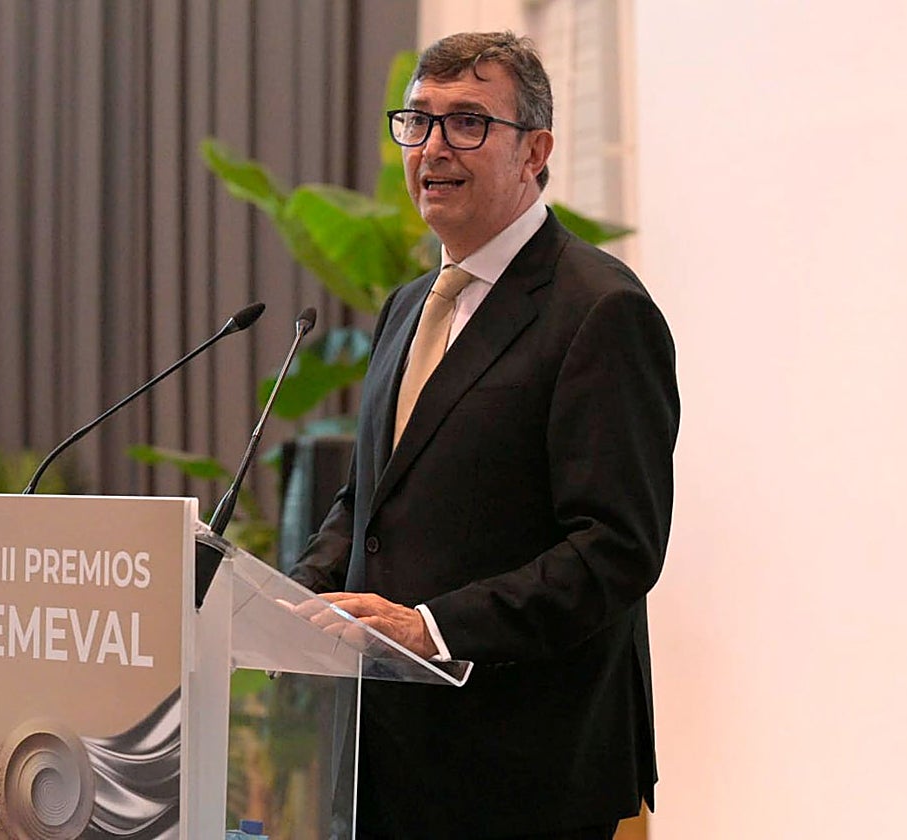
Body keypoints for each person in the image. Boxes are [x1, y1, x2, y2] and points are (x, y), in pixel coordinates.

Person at [289, 30, 679, 840]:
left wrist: (430, 628)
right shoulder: (407, 304)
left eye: (468, 122)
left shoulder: (601, 311)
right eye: (419, 121)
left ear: (536, 150)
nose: (433, 147)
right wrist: (290, 596)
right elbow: (371, 497)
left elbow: (615, 549)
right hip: (387, 760)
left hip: (523, 769)